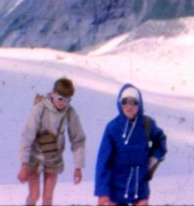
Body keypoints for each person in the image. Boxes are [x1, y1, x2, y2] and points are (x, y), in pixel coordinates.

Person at [95, 84, 167, 206]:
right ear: (120, 104)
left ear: (140, 105)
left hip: (140, 184)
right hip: (116, 187)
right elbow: (103, 162)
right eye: (125, 102)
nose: (129, 106)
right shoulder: (112, 128)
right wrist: (102, 192)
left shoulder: (147, 124)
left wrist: (153, 159)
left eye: (134, 102)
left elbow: (161, 140)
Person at [17, 77, 86, 206]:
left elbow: (78, 139)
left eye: (67, 100)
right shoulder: (39, 109)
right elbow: (27, 135)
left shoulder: (69, 112)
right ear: (53, 94)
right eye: (60, 98)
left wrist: (78, 166)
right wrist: (24, 164)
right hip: (34, 158)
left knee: (48, 198)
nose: (63, 103)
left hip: (54, 158)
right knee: (34, 195)